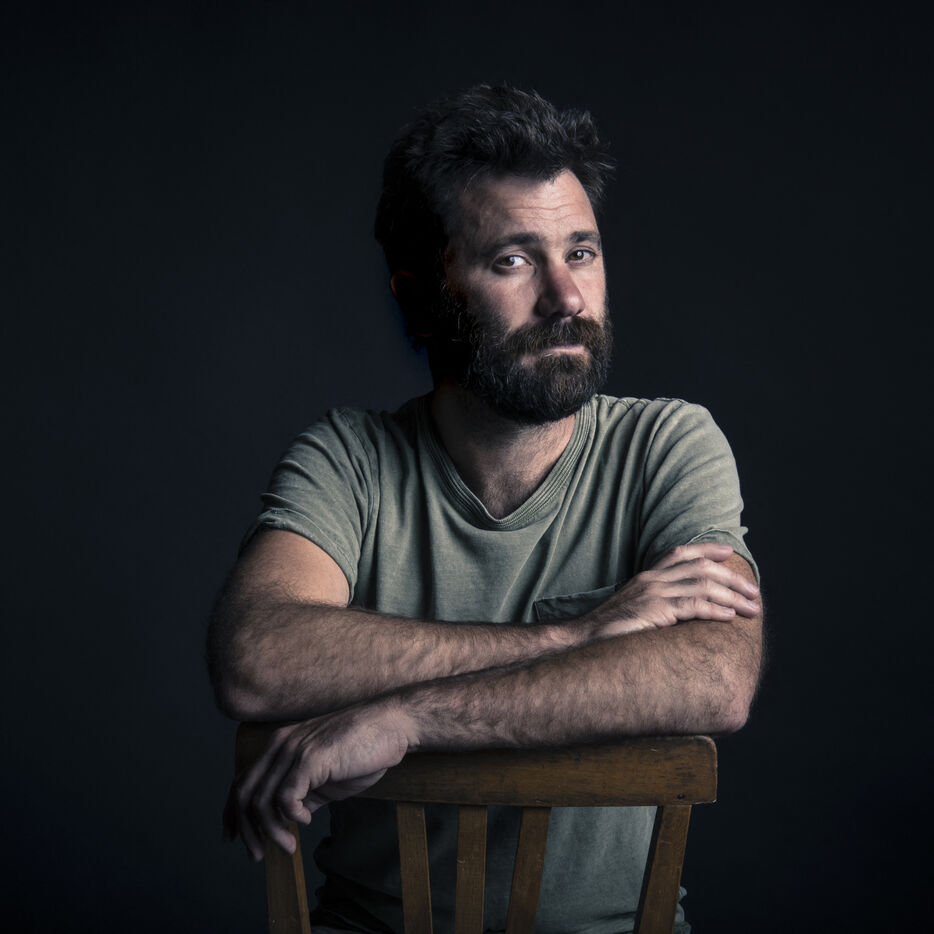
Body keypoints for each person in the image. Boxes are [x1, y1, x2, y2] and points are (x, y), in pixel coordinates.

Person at [207, 84, 763, 934]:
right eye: (512, 261)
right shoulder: (350, 460)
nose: (566, 297)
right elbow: (255, 654)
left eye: (581, 252)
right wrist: (579, 636)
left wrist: (410, 717)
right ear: (419, 297)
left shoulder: (667, 445)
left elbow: (713, 675)